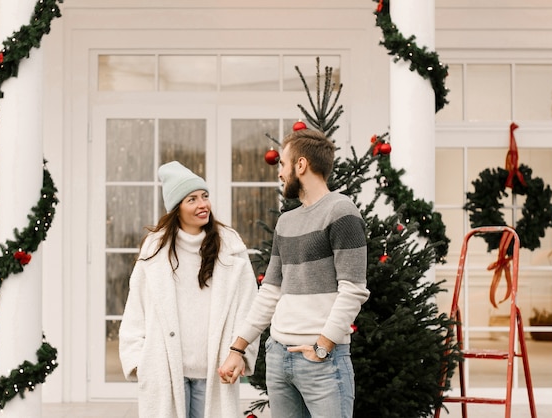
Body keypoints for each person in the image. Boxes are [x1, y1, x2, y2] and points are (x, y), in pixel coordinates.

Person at [218, 129, 370, 418]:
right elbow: (270, 291)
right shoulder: (285, 222)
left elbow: (353, 289)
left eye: (283, 165)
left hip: (322, 361)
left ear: (301, 165)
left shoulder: (341, 211)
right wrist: (238, 348)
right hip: (278, 356)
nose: (280, 173)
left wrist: (323, 347)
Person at [119, 161, 259, 418]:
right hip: (165, 369)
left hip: (216, 369)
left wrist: (241, 353)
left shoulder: (230, 246)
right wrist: (139, 362)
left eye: (204, 196)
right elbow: (135, 309)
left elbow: (248, 305)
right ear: (177, 208)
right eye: (192, 199)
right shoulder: (155, 250)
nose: (203, 204)